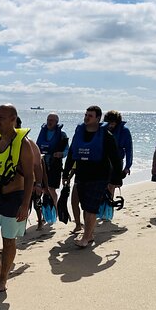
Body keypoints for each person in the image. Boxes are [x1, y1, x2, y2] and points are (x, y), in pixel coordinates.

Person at [0, 104, 34, 292]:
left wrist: (25, 204)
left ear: (13, 119)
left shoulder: (23, 144)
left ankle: (3, 278)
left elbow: (30, 176)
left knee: (8, 240)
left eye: (1, 117)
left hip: (14, 198)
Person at [62, 106, 122, 248]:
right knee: (85, 207)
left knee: (91, 208)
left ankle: (85, 238)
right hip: (82, 176)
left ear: (98, 118)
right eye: (86, 114)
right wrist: (65, 174)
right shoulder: (79, 133)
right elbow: (71, 154)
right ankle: (89, 235)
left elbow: (115, 158)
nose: (86, 117)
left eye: (90, 115)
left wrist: (117, 179)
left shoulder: (106, 136)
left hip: (99, 177)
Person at [104, 110, 133, 192]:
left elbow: (129, 150)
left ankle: (109, 204)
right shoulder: (102, 129)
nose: (109, 125)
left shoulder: (124, 131)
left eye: (112, 123)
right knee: (101, 185)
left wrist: (127, 167)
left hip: (116, 162)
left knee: (111, 186)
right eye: (108, 123)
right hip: (102, 161)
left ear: (117, 122)